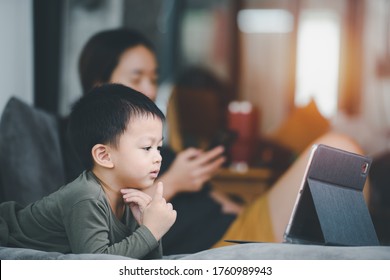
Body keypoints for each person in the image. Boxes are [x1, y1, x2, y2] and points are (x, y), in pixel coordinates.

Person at [74, 28, 366, 253]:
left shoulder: (150, 139)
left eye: (153, 78)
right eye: (137, 79)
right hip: (217, 245)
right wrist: (175, 180)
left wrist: (220, 196)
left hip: (236, 223)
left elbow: (209, 198)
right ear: (100, 84)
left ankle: (353, 260)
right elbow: (100, 220)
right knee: (338, 149)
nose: (149, 89)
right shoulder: (89, 142)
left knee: (338, 163)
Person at [0, 84, 176, 259]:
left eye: (159, 147)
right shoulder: (86, 196)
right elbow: (95, 265)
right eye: (147, 147)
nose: (158, 157)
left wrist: (150, 228)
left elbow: (146, 265)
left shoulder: (129, 199)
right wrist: (150, 232)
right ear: (104, 156)